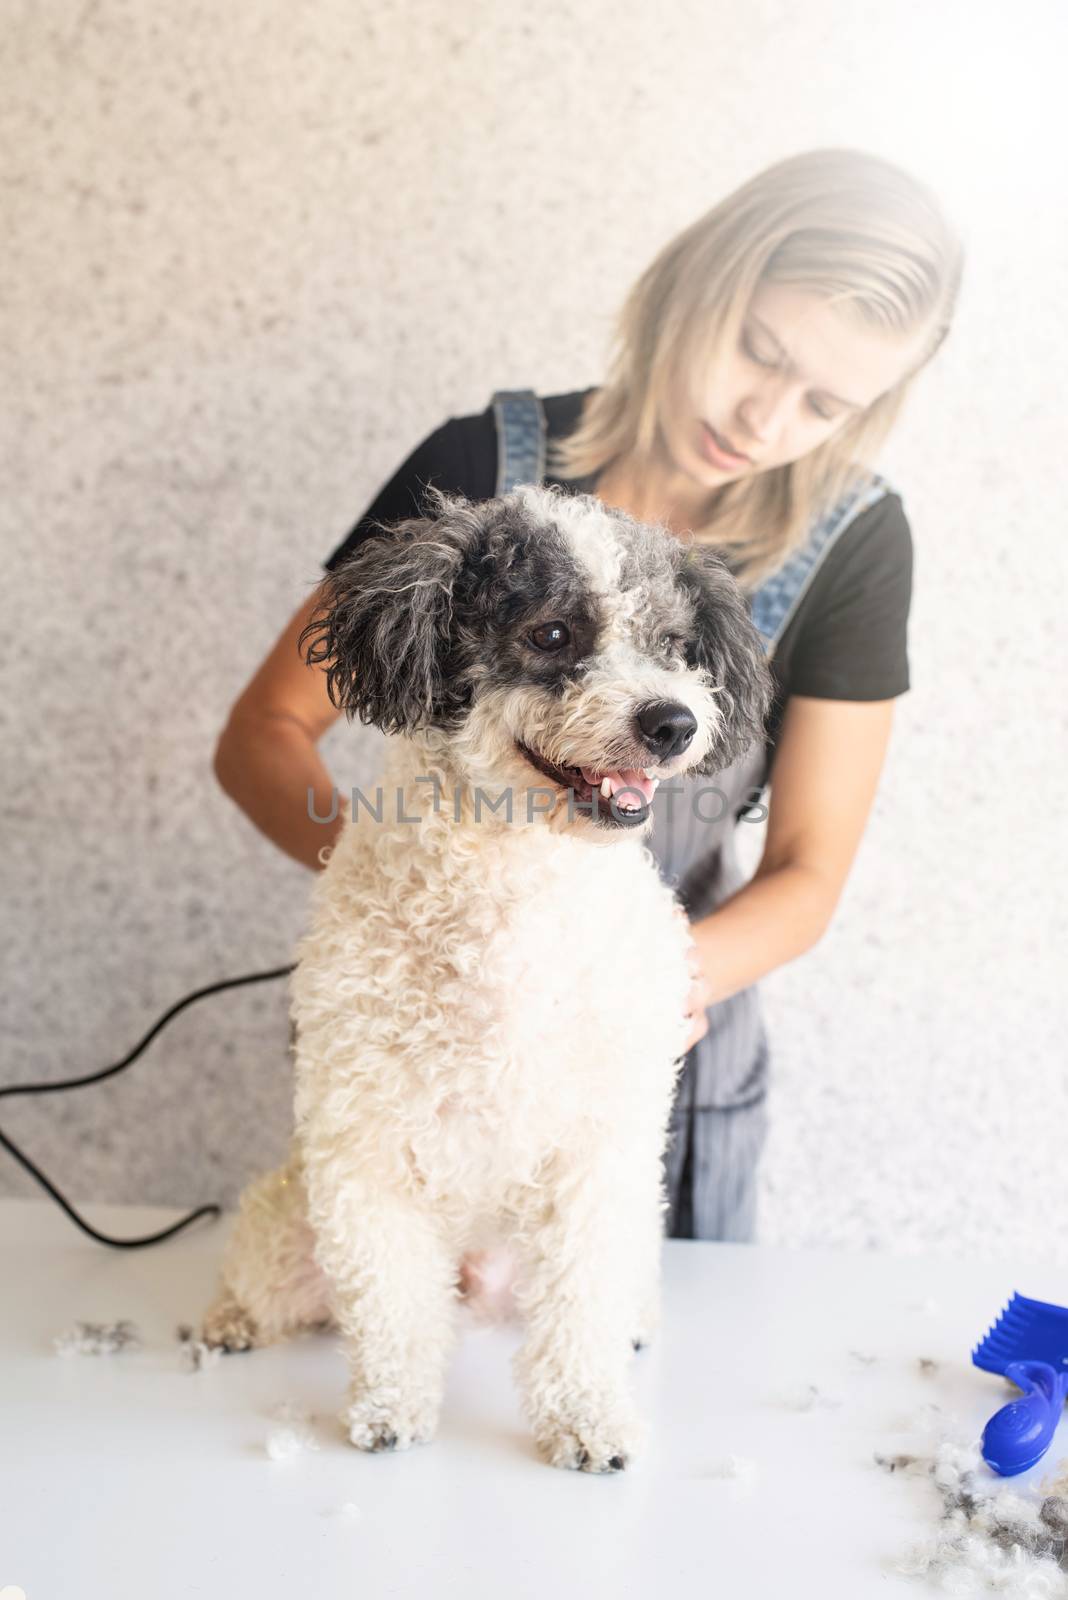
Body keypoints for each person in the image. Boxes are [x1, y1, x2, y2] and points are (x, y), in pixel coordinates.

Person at [213, 147, 963, 1247]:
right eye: (759, 351)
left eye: (824, 403)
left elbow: (808, 872)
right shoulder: (483, 460)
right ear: (697, 286)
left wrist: (635, 985)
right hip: (427, 1043)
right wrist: (409, 910)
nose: (765, 418)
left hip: (657, 1050)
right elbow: (265, 732)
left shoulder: (854, 541)